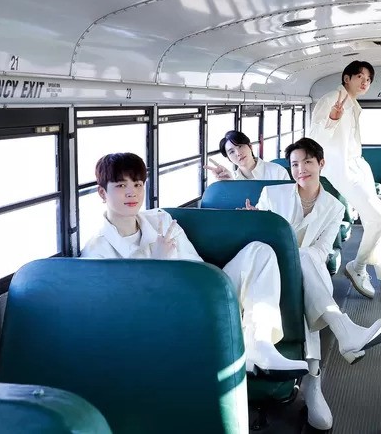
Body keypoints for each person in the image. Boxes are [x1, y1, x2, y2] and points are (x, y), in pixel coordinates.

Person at [81, 152, 308, 379]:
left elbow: (197, 268)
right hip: (165, 325)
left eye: (138, 184)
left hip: (197, 298)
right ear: (102, 192)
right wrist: (157, 267)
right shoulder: (97, 251)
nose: (132, 192)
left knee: (260, 251)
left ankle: (260, 345)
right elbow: (123, 317)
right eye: (121, 185)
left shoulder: (161, 220)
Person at [247, 137, 381, 430]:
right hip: (269, 272)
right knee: (304, 265)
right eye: (294, 164)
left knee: (305, 264)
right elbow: (259, 240)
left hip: (309, 270)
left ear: (321, 164)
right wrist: (253, 222)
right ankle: (339, 338)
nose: (301, 169)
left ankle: (314, 384)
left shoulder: (334, 207)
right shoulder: (271, 195)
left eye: (307, 162)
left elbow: (323, 251)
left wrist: (295, 256)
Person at [308, 60, 381, 298]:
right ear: (346, 78)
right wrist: (332, 118)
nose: (365, 82)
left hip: (359, 166)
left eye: (368, 79)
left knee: (373, 220)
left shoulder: (354, 105)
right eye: (360, 76)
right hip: (341, 169)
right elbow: (313, 140)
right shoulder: (331, 99)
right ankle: (357, 267)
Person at [204, 130, 290, 181]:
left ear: (250, 146)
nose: (238, 153)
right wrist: (230, 184)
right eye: (231, 152)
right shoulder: (232, 179)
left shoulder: (277, 172)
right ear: (229, 158)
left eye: (240, 146)